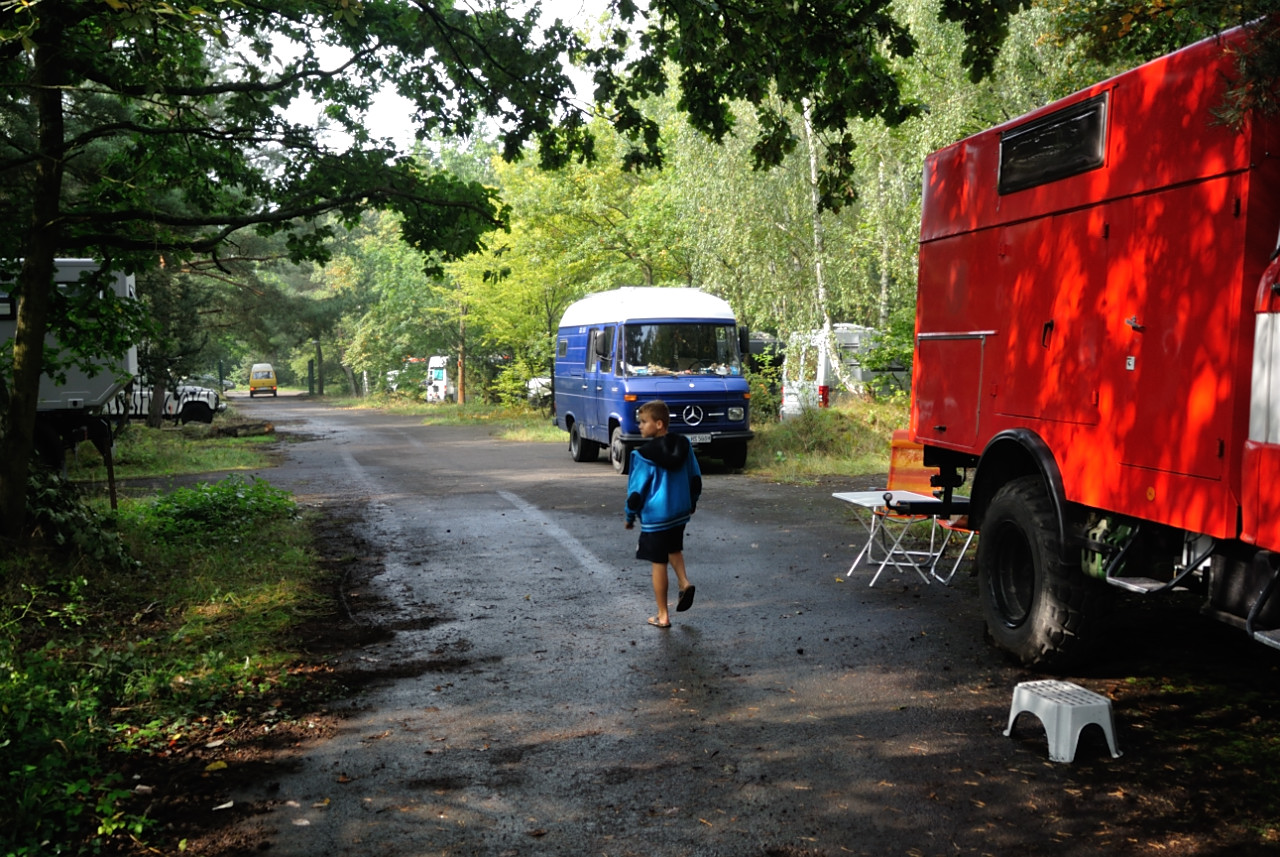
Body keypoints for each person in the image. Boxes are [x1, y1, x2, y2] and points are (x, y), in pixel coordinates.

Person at [624, 400, 702, 628]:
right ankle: (684, 582)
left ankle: (663, 615)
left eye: (643, 422)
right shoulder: (684, 445)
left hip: (656, 517)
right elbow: (695, 478)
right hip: (679, 513)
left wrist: (629, 516)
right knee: (673, 548)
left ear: (659, 424)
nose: (640, 426)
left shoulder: (643, 455)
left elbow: (636, 492)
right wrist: (692, 501)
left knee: (658, 562)